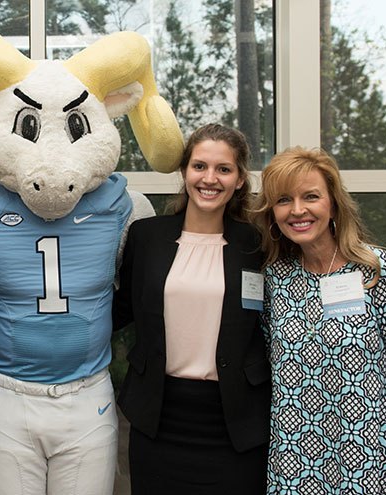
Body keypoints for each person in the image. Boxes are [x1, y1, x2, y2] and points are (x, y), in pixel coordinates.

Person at [114, 123, 271, 494]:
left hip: (234, 421)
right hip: (158, 417)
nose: (209, 179)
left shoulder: (259, 243)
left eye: (223, 169)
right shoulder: (146, 237)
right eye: (199, 166)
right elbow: (119, 309)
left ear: (239, 180)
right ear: (184, 172)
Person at [252, 147, 386, 494]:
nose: (297, 210)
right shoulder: (274, 279)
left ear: (333, 204)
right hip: (294, 458)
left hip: (367, 456)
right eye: (284, 200)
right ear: (273, 213)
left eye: (310, 196)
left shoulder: (375, 272)